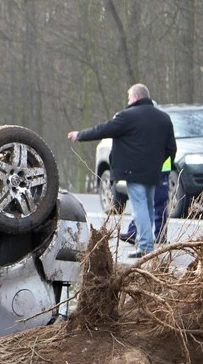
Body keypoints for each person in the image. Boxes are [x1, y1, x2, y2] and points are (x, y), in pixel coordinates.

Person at [69, 84, 176, 258]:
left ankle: (146, 247)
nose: (128, 101)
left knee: (139, 206)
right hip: (154, 171)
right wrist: (159, 163)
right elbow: (171, 148)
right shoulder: (164, 118)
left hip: (133, 171)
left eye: (129, 98)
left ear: (135, 97)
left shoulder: (127, 117)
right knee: (148, 206)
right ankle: (146, 244)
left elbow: (103, 129)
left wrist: (80, 135)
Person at [120, 157, 171, 245]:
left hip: (160, 168)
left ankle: (160, 235)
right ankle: (135, 232)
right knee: (144, 202)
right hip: (146, 167)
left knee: (158, 202)